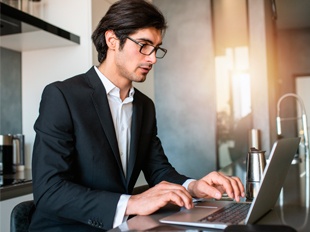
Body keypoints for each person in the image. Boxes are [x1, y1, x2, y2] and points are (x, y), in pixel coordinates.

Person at [29, 0, 245, 231]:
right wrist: (132, 202)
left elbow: (158, 169)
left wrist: (193, 186)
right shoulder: (62, 96)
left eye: (156, 48)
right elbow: (49, 189)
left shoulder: (144, 106)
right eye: (144, 45)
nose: (152, 58)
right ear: (112, 40)